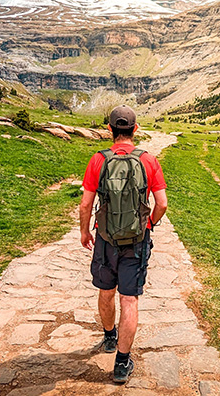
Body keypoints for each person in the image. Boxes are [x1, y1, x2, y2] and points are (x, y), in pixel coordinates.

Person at [79, 105, 168, 384]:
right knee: (129, 299)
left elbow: (85, 204)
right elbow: (162, 204)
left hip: (105, 239)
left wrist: (85, 232)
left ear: (109, 130)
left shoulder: (98, 160)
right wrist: (149, 223)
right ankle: (121, 363)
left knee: (106, 291)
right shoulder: (148, 160)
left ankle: (108, 338)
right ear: (135, 129)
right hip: (137, 241)